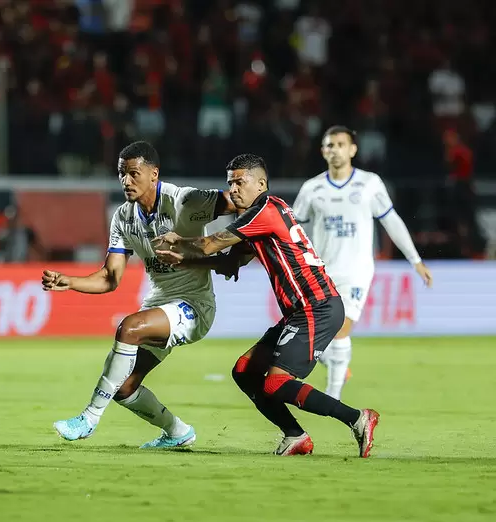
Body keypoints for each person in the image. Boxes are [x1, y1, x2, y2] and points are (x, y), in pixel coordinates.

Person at [154, 153, 379, 458]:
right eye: (229, 182)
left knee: (275, 382)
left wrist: (178, 241)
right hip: (299, 311)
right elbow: (232, 261)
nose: (233, 189)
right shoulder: (259, 216)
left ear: (261, 183)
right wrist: (185, 260)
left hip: (317, 306)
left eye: (240, 181)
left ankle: (356, 418)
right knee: (245, 371)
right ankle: (295, 435)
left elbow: (211, 243)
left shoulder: (265, 209)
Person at [41, 141, 237, 448]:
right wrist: (70, 281)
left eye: (133, 173)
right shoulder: (123, 217)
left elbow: (240, 202)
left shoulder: (185, 201)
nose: (126, 181)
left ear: (154, 174)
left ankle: (89, 419)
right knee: (124, 388)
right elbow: (109, 278)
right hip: (158, 305)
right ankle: (178, 432)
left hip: (194, 306)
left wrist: (238, 246)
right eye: (121, 174)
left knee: (128, 328)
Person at [293, 125, 432, 400]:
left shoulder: (369, 184)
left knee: (342, 327)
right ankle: (336, 363)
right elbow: (295, 228)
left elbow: (391, 220)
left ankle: (332, 397)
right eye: (329, 145)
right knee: (315, 334)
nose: (335, 150)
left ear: (353, 149)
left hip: (356, 271)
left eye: (341, 144)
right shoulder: (312, 188)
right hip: (321, 271)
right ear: (323, 151)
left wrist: (415, 259)